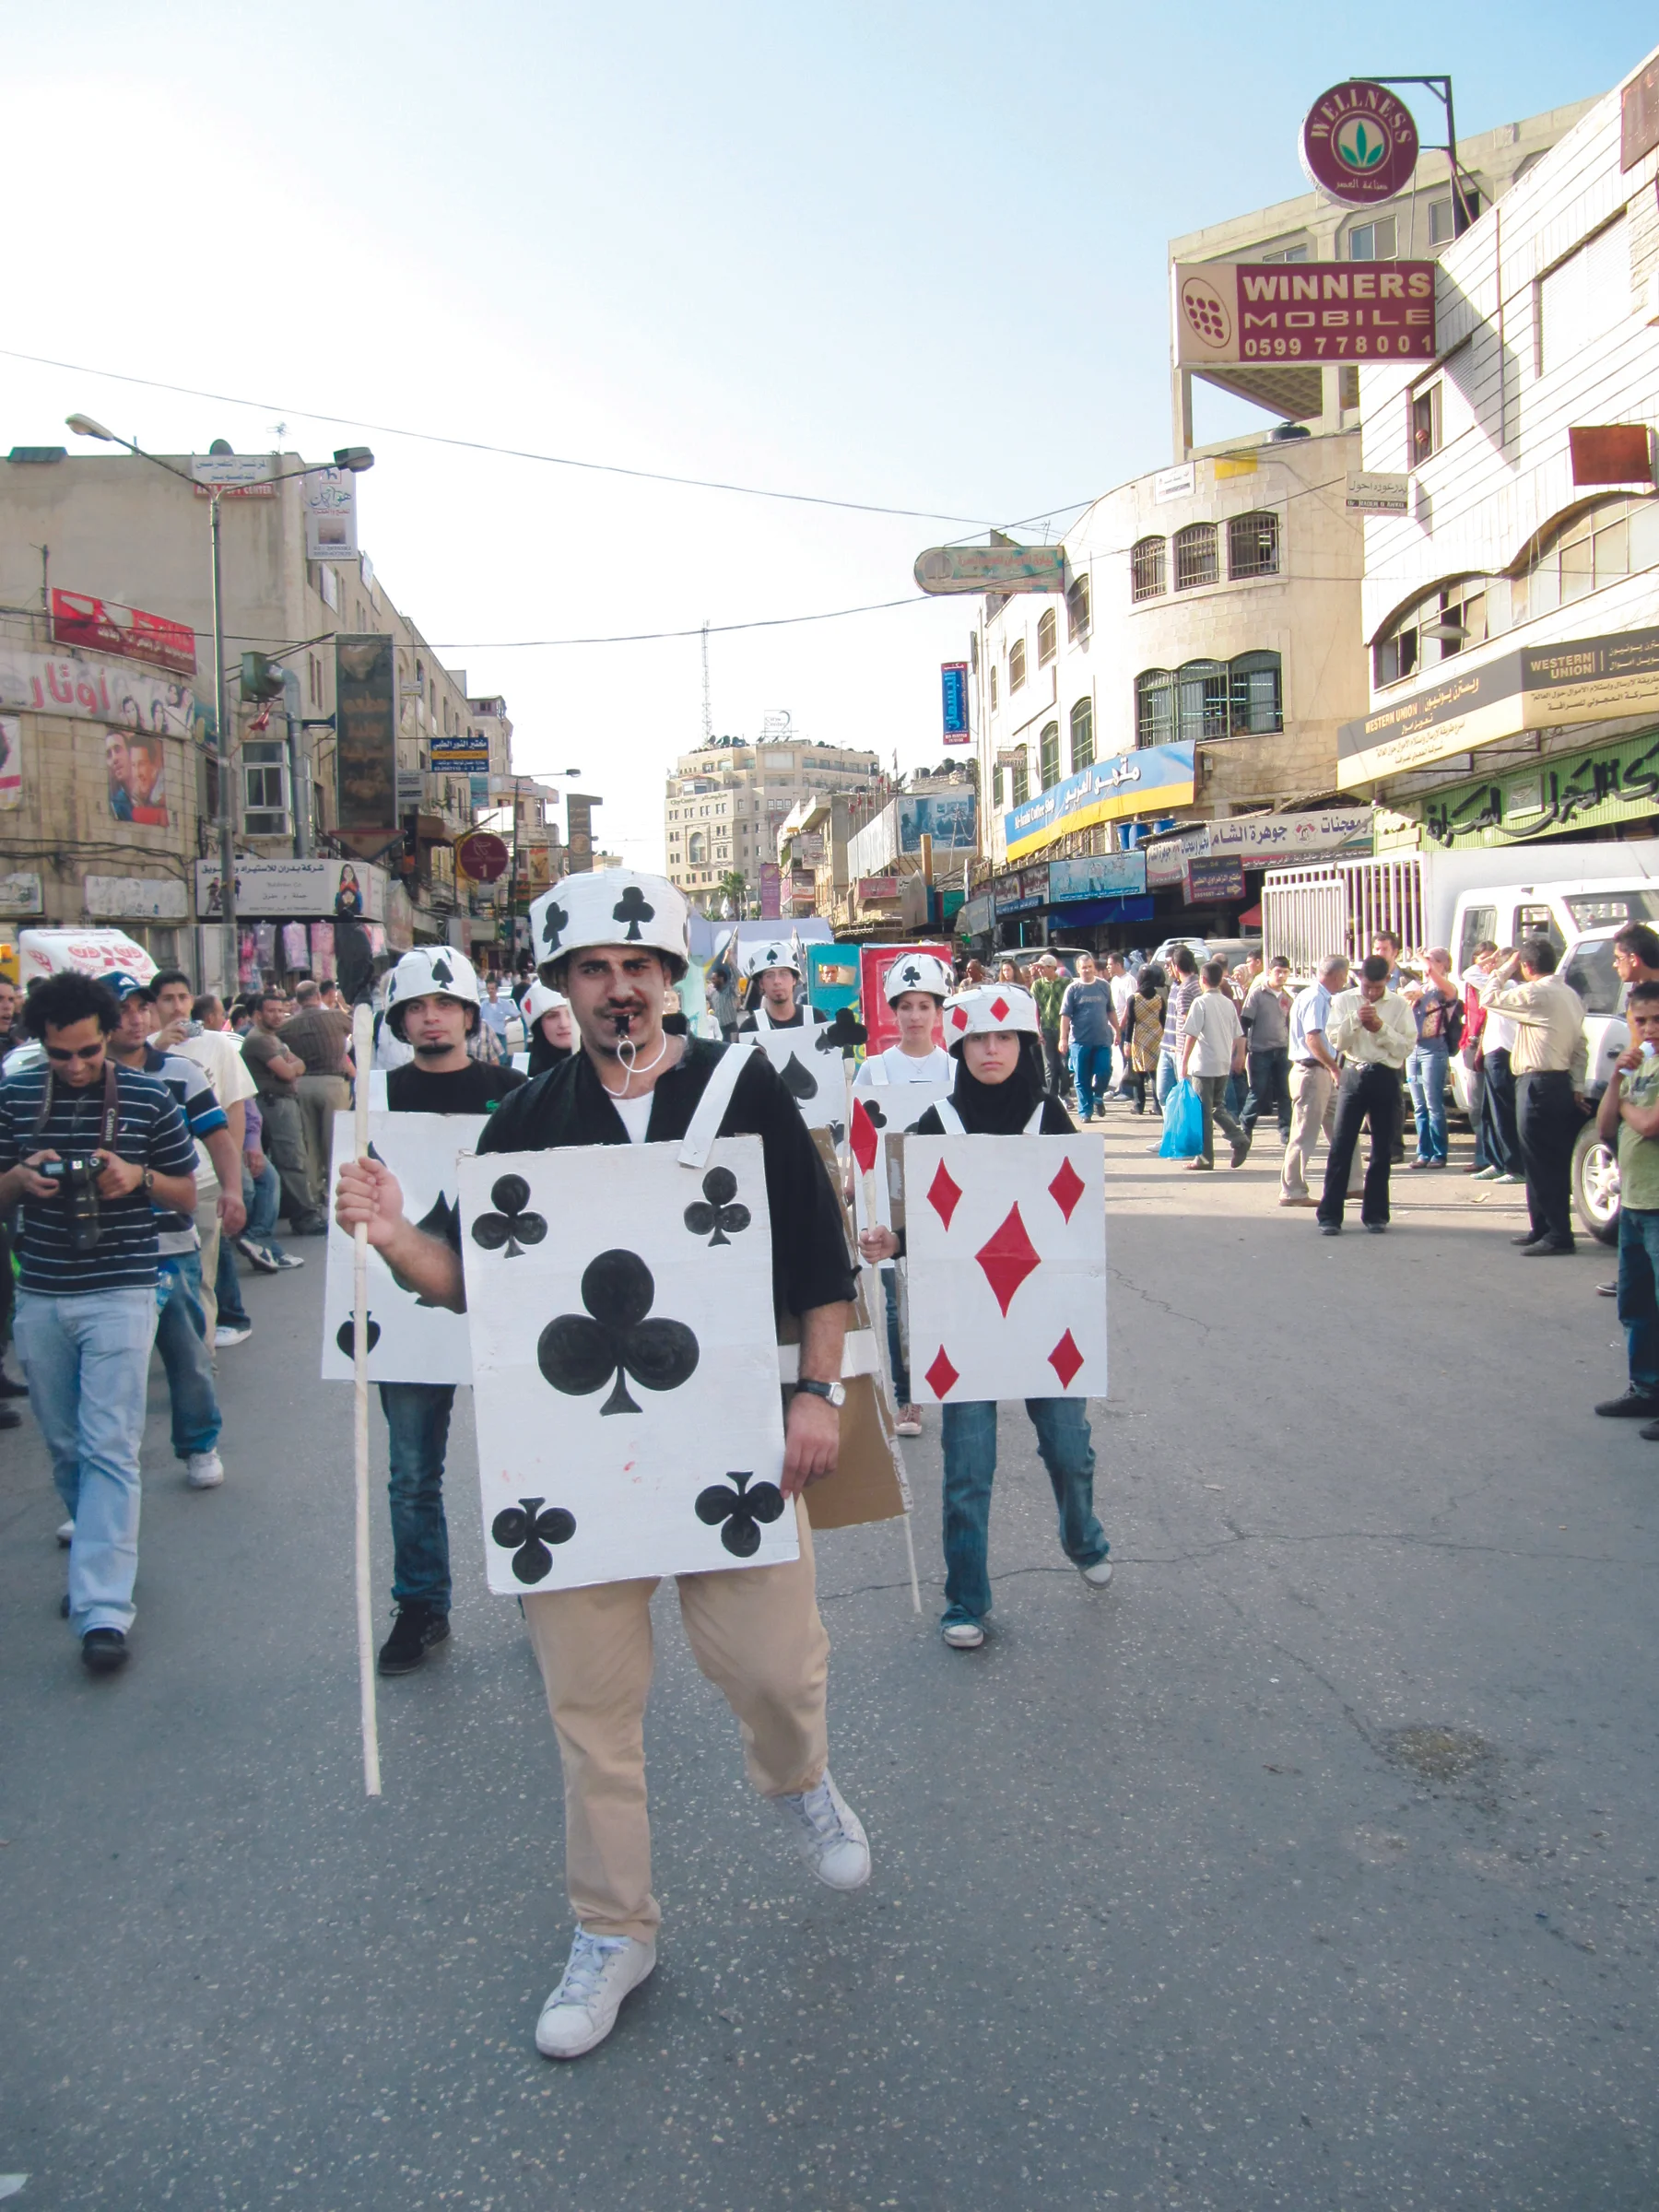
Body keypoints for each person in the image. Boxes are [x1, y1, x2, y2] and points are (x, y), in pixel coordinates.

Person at [335, 870, 868, 2060]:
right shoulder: (526, 1117)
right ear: (562, 987)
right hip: (573, 1463)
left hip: (729, 1439)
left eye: (637, 968)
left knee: (775, 1669)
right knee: (590, 1712)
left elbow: (820, 1260)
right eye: (593, 970)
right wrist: (392, 1230)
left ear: (668, 978)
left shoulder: (742, 1089)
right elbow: (467, 1279)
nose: (618, 989)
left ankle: (799, 1781)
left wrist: (818, 1392)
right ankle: (614, 1930)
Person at [856, 984, 1111, 1652]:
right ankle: (965, 1599)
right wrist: (891, 1241)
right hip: (964, 1322)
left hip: (1047, 1316)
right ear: (961, 1045)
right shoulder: (937, 1123)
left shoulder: (1050, 1117)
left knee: (1069, 1449)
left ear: (1024, 1044)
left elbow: (1076, 1217)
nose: (990, 1051)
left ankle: (1082, 1534)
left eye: (1003, 1039)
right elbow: (920, 1223)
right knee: (967, 1470)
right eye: (977, 1039)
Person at [0, 971, 197, 1673]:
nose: (78, 1066)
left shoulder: (147, 1095)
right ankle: (96, 1561)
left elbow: (186, 1195)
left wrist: (137, 1178)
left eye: (89, 1051)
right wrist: (17, 1180)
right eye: (62, 1055)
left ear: (108, 1036)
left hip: (122, 1288)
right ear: (40, 1044)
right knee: (66, 1447)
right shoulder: (14, 1096)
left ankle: (103, 1608)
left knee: (109, 1445)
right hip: (42, 1291)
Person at [371, 948, 525, 1674]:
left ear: (468, 1014)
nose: (431, 1017)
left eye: (444, 1004)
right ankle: (421, 1606)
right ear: (401, 1021)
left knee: (524, 1459)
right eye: (416, 1007)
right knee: (411, 1472)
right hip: (404, 1310)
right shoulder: (375, 1096)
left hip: (503, 1303)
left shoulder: (514, 1092)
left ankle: (543, 1597)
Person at [104, 976, 239, 1490]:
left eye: (143, 1007)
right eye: (123, 1009)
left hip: (171, 1237)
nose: (135, 1018)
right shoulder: (81, 1078)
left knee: (187, 1355)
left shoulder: (179, 1072)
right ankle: (103, 1475)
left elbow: (217, 1135)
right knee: (108, 1370)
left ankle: (200, 1444)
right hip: (105, 1248)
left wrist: (233, 1190)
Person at [850, 951, 953, 1441]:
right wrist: (852, 1180)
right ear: (893, 1011)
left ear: (938, 1011)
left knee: (942, 1297)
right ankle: (907, 1398)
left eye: (924, 1006)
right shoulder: (873, 1070)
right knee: (896, 1303)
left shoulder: (958, 1071)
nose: (915, 1016)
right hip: (889, 1199)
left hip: (945, 1201)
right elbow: (855, 1138)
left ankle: (954, 1384)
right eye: (906, 1006)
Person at [149, 970, 257, 1342]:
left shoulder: (217, 1045)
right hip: (157, 1184)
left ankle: (202, 1353)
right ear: (154, 1005)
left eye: (183, 997)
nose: (177, 1006)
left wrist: (233, 1173)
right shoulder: (143, 1048)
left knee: (202, 1276)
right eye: (167, 999)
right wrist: (158, 1047)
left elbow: (235, 1106)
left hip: (207, 1179)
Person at [1480, 937, 1588, 1257]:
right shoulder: (1570, 995)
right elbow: (1581, 1046)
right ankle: (1542, 1227)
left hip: (1537, 1082)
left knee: (1540, 1160)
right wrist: (1577, 1084)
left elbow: (1489, 998)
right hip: (1558, 1081)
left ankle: (1557, 1232)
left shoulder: (1536, 992)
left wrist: (1503, 969)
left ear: (1526, 966)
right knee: (1543, 1158)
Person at [1594, 981, 1659, 1427]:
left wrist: (1625, 1109)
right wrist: (1617, 1077)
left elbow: (1651, 1124)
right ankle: (1645, 1388)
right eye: (1641, 1021)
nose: (1650, 1029)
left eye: (1658, 1020)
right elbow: (1604, 1128)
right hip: (1634, 1201)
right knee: (1636, 1306)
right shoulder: (1638, 1066)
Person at [1316, 955, 1416, 1235]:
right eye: (1367, 987)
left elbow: (1406, 1047)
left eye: (1377, 987)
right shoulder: (1344, 1000)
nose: (1371, 993)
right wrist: (1356, 1021)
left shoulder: (1399, 1004)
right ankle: (1330, 1215)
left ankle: (1376, 1214)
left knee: (1382, 1149)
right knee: (1342, 1145)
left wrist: (1380, 1029)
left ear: (1387, 980)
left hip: (1385, 1074)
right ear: (1359, 979)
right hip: (1354, 1072)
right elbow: (1336, 1040)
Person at [241, 992, 325, 1232]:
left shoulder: (272, 1038)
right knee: (291, 1159)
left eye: (281, 1011)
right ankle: (305, 1217)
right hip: (273, 1105)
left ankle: (294, 1210)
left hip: (280, 1103)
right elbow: (288, 1072)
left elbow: (300, 1064)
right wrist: (292, 1067)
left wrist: (293, 1066)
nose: (278, 1016)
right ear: (258, 1015)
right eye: (272, 1011)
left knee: (290, 1159)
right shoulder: (259, 1040)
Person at [1280, 957, 1357, 1208]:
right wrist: (1334, 1067)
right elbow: (1312, 1038)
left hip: (1322, 1071)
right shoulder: (1315, 998)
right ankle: (1292, 1190)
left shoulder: (1318, 996)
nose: (1345, 982)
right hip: (1313, 1071)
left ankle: (1353, 1183)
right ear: (1337, 975)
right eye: (1345, 976)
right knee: (1303, 1133)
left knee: (1344, 1127)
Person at [282, 979, 354, 1216]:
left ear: (298, 1000)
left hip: (302, 1084)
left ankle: (314, 1195)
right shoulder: (336, 1017)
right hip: (333, 1083)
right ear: (317, 996)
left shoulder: (288, 1025)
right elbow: (356, 1030)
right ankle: (337, 1192)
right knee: (335, 1141)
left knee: (309, 1145)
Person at [1179, 959, 1251, 1171]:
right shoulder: (1228, 1003)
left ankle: (1205, 1157)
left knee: (1203, 1113)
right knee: (1216, 1107)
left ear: (1202, 980)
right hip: (1222, 1062)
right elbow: (1238, 1034)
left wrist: (1183, 1062)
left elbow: (1191, 1034)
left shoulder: (1200, 1002)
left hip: (1203, 1064)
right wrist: (1234, 1055)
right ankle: (1238, 1137)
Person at [1403, 947, 1459, 1171]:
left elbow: (1429, 971)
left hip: (1434, 1048)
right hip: (1414, 1049)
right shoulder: (1421, 988)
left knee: (1433, 1102)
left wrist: (1419, 956)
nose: (1427, 964)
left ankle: (1439, 1152)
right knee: (1419, 1104)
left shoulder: (1446, 989)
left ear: (1443, 965)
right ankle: (1423, 1152)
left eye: (1433, 960)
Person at [1241, 955, 1294, 1144]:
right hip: (1260, 1051)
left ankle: (1286, 1131)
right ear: (1269, 972)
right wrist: (1241, 1051)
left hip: (1282, 1050)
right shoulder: (1257, 994)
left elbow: (1290, 1025)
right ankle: (1246, 1126)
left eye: (1285, 972)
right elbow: (1245, 1022)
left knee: (1285, 1093)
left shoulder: (1287, 998)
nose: (1281, 976)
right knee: (1258, 1091)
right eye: (1278, 972)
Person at [1058, 951, 1115, 1122]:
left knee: (1105, 1070)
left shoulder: (1104, 986)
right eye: (1084, 968)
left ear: (1094, 968)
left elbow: (1110, 1010)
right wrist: (1063, 1038)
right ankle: (1085, 1112)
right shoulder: (1073, 989)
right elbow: (1065, 1016)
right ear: (1078, 969)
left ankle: (1098, 1096)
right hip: (1079, 1041)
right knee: (1082, 1078)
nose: (1087, 970)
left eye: (1090, 967)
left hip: (1102, 1039)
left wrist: (1118, 1031)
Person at [737, 940, 827, 1032]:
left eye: (784, 974)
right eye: (769, 975)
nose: (777, 981)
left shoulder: (816, 1019)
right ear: (761, 983)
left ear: (794, 979)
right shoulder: (750, 1028)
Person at [1159, 947, 1201, 1110]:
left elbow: (1191, 1025)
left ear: (1176, 965)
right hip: (1167, 1046)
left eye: (1169, 963)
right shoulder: (1175, 986)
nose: (1167, 967)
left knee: (1185, 1095)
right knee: (1163, 1095)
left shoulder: (1188, 988)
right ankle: (1171, 1123)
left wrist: (1184, 1053)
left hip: (1181, 1048)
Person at [1124, 963, 1165, 1115]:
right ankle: (1158, 1105)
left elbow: (1130, 1022)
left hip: (1140, 1037)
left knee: (1139, 1072)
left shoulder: (1134, 999)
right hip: (1157, 1037)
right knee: (1155, 1073)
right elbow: (1163, 1020)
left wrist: (1127, 1042)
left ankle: (1138, 1105)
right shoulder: (1159, 999)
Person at [1029, 952, 1068, 1100]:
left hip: (1063, 1028)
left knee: (1064, 1064)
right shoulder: (1037, 985)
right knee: (1049, 1065)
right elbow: (1034, 1008)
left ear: (1052, 968)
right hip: (1046, 1028)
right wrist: (1037, 1030)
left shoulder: (1065, 983)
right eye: (1039, 968)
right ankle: (1052, 1096)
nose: (1040, 971)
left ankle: (1064, 1093)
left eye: (1043, 968)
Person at [522, 981, 577, 1077]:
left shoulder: (603, 1069)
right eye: (552, 1016)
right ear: (539, 1025)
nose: (564, 1024)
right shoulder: (522, 1072)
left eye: (571, 1013)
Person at [1106, 951, 1135, 1096]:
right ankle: (1117, 1087)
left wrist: (1122, 1024)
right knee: (1117, 1059)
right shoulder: (1114, 980)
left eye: (1110, 964)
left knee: (1127, 1057)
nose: (1108, 967)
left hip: (1124, 1026)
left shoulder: (1129, 980)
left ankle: (1127, 1090)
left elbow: (1130, 1005)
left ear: (1118, 964)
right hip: (1113, 1026)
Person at [706, 961, 740, 1042]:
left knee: (733, 1048)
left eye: (714, 979)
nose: (712, 981)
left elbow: (736, 976)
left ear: (721, 979)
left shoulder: (730, 990)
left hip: (731, 1028)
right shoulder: (713, 994)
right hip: (719, 1029)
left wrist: (731, 963)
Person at [478, 975, 513, 1047]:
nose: (490, 991)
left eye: (492, 989)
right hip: (488, 1037)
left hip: (500, 1036)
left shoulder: (504, 1003)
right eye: (488, 989)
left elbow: (517, 1015)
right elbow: (479, 1020)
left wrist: (507, 1021)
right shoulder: (483, 1005)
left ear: (497, 990)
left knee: (502, 1054)